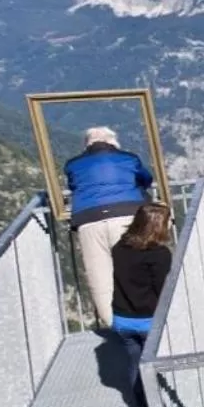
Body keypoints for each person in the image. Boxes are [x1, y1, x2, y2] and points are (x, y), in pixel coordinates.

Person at [63, 127, 155, 328]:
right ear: (113, 142)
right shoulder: (129, 159)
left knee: (100, 278)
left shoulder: (73, 164)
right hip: (128, 216)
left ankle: (118, 326)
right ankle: (146, 322)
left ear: (87, 145)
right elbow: (146, 179)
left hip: (89, 220)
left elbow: (73, 185)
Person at [109, 203, 174, 407]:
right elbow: (162, 289)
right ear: (158, 226)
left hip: (122, 318)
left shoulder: (119, 248)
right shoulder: (160, 255)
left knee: (135, 363)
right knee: (155, 367)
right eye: (167, 222)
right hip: (148, 321)